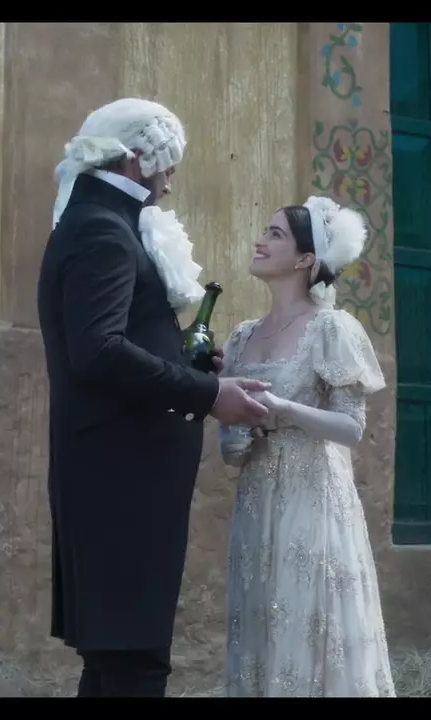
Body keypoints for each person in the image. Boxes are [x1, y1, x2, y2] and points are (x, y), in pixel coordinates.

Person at [36, 97, 272, 698]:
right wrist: (208, 392)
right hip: (121, 477)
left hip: (116, 473)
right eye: (168, 166)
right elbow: (98, 351)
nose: (170, 182)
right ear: (136, 159)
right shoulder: (103, 231)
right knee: (135, 663)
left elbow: (110, 344)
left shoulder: (97, 223)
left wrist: (182, 363)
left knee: (117, 660)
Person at [215, 195, 396, 697]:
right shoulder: (242, 337)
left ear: (305, 259)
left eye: (275, 234)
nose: (259, 241)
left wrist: (285, 410)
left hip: (312, 503)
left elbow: (352, 428)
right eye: (264, 231)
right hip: (256, 507)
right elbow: (229, 449)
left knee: (308, 623)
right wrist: (236, 435)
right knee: (261, 628)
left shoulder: (331, 329)